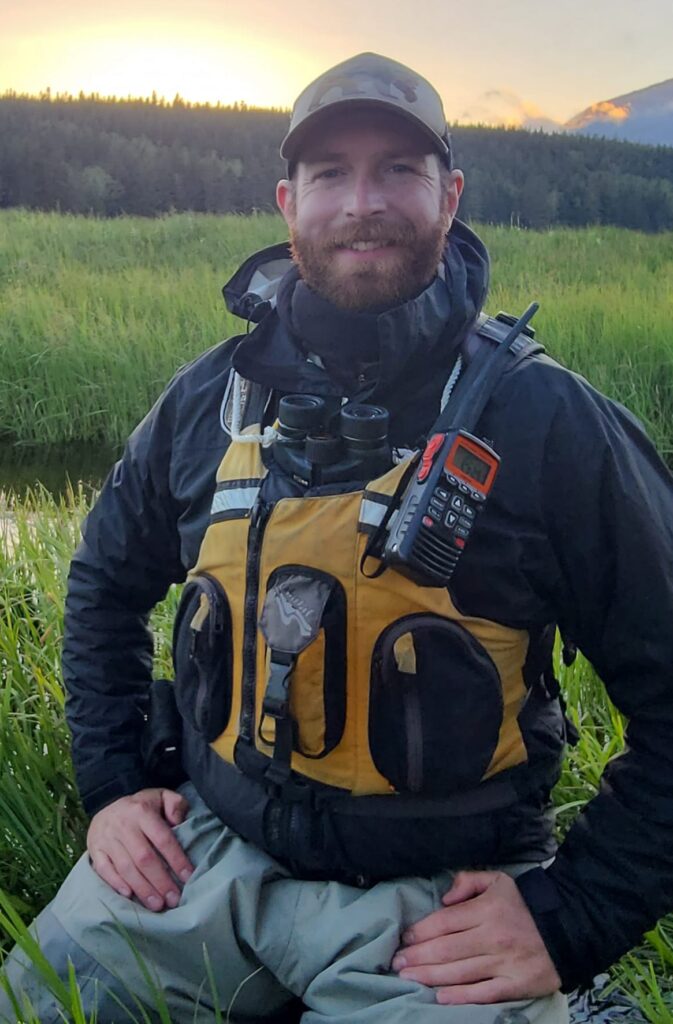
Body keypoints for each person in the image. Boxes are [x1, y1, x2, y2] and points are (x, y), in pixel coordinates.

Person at [2, 50, 673, 1024]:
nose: (363, 201)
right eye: (331, 173)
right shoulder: (204, 402)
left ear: (450, 196)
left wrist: (567, 917)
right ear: (288, 200)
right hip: (204, 859)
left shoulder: (546, 420)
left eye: (398, 169)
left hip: (439, 903)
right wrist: (114, 788)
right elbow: (103, 582)